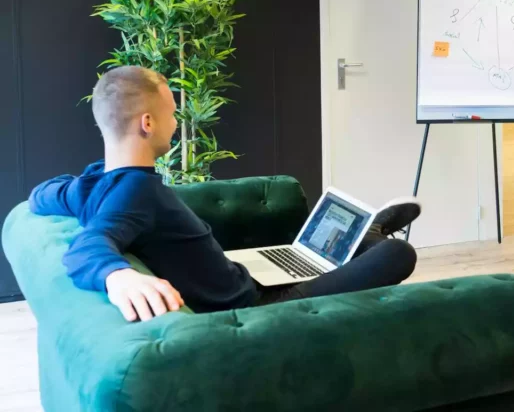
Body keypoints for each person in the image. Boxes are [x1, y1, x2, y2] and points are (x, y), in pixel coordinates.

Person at [29, 66, 420, 322]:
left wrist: (75, 186)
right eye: (172, 113)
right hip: (258, 309)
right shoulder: (135, 193)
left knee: (314, 254)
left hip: (246, 279)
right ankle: (369, 233)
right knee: (400, 254)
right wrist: (118, 277)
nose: (176, 121)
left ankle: (365, 233)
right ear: (147, 123)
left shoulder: (94, 182)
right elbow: (86, 247)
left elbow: (40, 195)